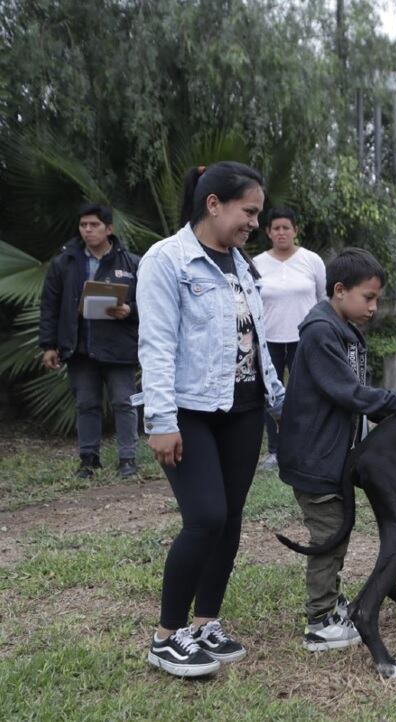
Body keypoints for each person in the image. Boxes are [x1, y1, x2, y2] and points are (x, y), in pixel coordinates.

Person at [137, 161, 286, 677]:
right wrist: (160, 419)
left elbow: (255, 342)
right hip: (188, 410)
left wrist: (278, 400)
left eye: (259, 214)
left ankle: (206, 623)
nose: (255, 223)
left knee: (231, 520)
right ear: (214, 204)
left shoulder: (242, 264)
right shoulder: (167, 260)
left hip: (243, 408)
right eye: (249, 211)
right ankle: (165, 636)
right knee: (205, 518)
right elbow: (156, 343)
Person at [277, 247, 396, 651]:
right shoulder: (320, 332)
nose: (374, 306)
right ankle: (320, 620)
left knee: (338, 531)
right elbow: (346, 391)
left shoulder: (343, 329)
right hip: (315, 459)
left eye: (377, 298)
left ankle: (329, 602)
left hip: (333, 456)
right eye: (368, 297)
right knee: (329, 534)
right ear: (339, 290)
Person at [38, 202, 140, 479]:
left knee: (124, 402)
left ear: (109, 229)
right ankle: (88, 460)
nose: (87, 230)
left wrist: (130, 309)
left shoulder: (131, 262)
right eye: (83, 225)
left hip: (119, 346)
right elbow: (50, 304)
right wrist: (49, 344)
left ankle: (128, 459)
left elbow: (152, 303)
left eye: (94, 225)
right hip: (79, 346)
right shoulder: (65, 262)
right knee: (86, 403)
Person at [251, 207, 326, 470]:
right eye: (276, 228)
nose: (281, 232)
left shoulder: (311, 260)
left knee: (305, 393)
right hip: (267, 339)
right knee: (270, 395)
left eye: (286, 227)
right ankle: (275, 451)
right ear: (268, 232)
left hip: (304, 338)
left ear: (295, 230)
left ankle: (307, 446)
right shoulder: (257, 263)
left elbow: (323, 298)